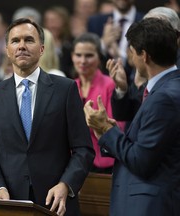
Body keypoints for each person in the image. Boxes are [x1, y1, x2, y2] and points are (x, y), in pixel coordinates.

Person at [0, 18, 95, 216]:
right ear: (7, 49)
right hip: (11, 203)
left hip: (56, 203)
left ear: (42, 48)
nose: (21, 46)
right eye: (15, 41)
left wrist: (66, 184)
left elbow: (83, 149)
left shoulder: (66, 89)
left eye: (29, 40)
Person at [84, 18, 180, 216]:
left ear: (144, 55)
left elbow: (140, 160)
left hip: (149, 207)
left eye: (132, 50)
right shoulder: (164, 88)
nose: (130, 57)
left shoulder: (165, 97)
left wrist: (106, 130)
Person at [108, 6, 180, 122]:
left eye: (156, 29)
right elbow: (124, 114)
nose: (149, 35)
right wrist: (122, 89)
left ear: (176, 35)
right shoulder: (143, 55)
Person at [71, 32, 125, 173]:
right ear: (72, 56)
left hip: (106, 163)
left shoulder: (110, 85)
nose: (83, 61)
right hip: (77, 163)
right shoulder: (70, 86)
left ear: (99, 58)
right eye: (78, 55)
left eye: (89, 55)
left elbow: (117, 125)